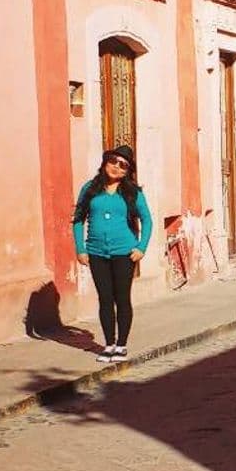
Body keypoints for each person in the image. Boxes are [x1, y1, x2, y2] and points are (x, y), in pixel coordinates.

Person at [72, 144, 153, 363]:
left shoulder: (132, 192)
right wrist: (81, 249)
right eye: (113, 162)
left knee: (122, 298)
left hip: (124, 253)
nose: (117, 167)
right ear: (105, 161)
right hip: (96, 253)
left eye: (123, 165)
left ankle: (121, 345)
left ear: (127, 171)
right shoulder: (90, 188)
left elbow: (147, 220)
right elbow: (78, 220)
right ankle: (108, 344)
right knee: (105, 299)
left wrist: (141, 247)